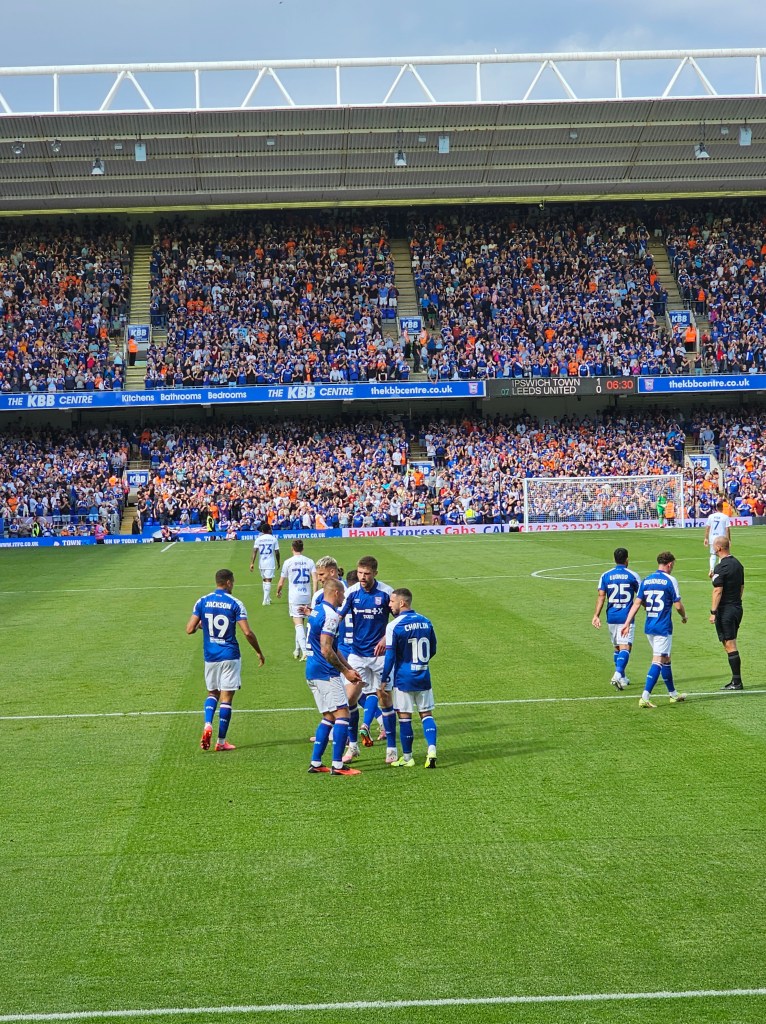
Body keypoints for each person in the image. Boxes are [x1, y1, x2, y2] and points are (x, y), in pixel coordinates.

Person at [186, 568, 265, 751]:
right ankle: (221, 742)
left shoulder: (202, 601)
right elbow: (247, 632)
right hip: (230, 655)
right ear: (228, 582)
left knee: (212, 693)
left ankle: (208, 723)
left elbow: (189, 629)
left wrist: (203, 626)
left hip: (210, 656)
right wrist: (259, 652)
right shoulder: (235, 603)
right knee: (226, 699)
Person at [338, 555, 397, 764]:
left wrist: (386, 637)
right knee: (350, 698)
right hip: (357, 654)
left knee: (385, 698)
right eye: (360, 573)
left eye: (367, 574)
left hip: (381, 656)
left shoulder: (386, 592)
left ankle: (391, 748)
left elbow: (399, 619)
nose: (362, 577)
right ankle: (353, 746)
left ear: (375, 573)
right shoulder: (352, 592)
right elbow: (339, 616)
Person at [306, 579, 363, 776]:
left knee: (329, 716)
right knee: (343, 715)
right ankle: (338, 765)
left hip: (312, 671)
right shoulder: (331, 615)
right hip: (326, 673)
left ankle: (316, 762)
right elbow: (326, 649)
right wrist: (344, 672)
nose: (344, 598)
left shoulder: (317, 610)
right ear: (337, 593)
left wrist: (349, 668)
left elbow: (333, 647)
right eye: (343, 594)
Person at [621, 551, 687, 709]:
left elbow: (637, 603)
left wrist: (627, 623)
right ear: (669, 564)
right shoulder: (670, 580)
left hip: (649, 626)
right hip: (662, 627)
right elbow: (678, 605)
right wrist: (684, 616)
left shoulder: (647, 580)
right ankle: (645, 697)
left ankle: (673, 694)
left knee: (666, 658)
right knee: (658, 660)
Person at [382, 588, 438, 768]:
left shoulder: (394, 625)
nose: (389, 605)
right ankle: (432, 750)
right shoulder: (426, 621)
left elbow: (390, 657)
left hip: (404, 678)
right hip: (423, 675)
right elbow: (433, 649)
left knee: (404, 717)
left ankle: (408, 758)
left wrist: (384, 679)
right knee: (426, 714)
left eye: (392, 601)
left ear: (402, 603)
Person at [592, 547, 641, 690]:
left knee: (617, 647)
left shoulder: (605, 575)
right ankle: (617, 675)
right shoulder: (633, 575)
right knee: (626, 647)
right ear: (627, 560)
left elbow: (601, 596)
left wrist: (596, 615)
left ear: (614, 559)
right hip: (626, 617)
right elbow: (640, 596)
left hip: (611, 616)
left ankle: (623, 678)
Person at [710, 537, 745, 690]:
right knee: (730, 643)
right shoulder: (738, 564)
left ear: (719, 548)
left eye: (714, 546)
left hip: (726, 610)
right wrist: (736, 601)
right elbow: (741, 587)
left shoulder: (721, 567)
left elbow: (717, 591)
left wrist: (713, 612)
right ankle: (735, 681)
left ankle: (737, 682)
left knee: (730, 644)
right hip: (737, 607)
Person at [277, 539, 317, 659]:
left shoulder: (288, 562)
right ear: (302, 549)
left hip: (295, 597)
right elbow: (315, 579)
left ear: (292, 548)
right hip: (307, 596)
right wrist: (314, 595)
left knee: (298, 623)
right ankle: (297, 649)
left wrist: (278, 591)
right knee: (301, 622)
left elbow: (281, 582)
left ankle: (305, 651)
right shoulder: (309, 561)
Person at [249, 521, 280, 605]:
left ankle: (268, 598)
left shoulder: (258, 539)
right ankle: (265, 600)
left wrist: (252, 563)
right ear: (269, 530)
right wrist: (278, 562)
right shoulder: (273, 539)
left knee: (264, 580)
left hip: (261, 562)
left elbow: (255, 551)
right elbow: (277, 552)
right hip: (270, 562)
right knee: (268, 580)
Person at [704, 499, 731, 578]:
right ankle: (719, 571)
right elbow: (727, 529)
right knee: (721, 555)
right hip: (722, 539)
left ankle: (711, 569)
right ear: (722, 508)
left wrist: (706, 538)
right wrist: (729, 540)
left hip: (713, 538)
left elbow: (707, 527)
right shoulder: (725, 517)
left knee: (713, 554)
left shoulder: (711, 516)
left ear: (716, 508)